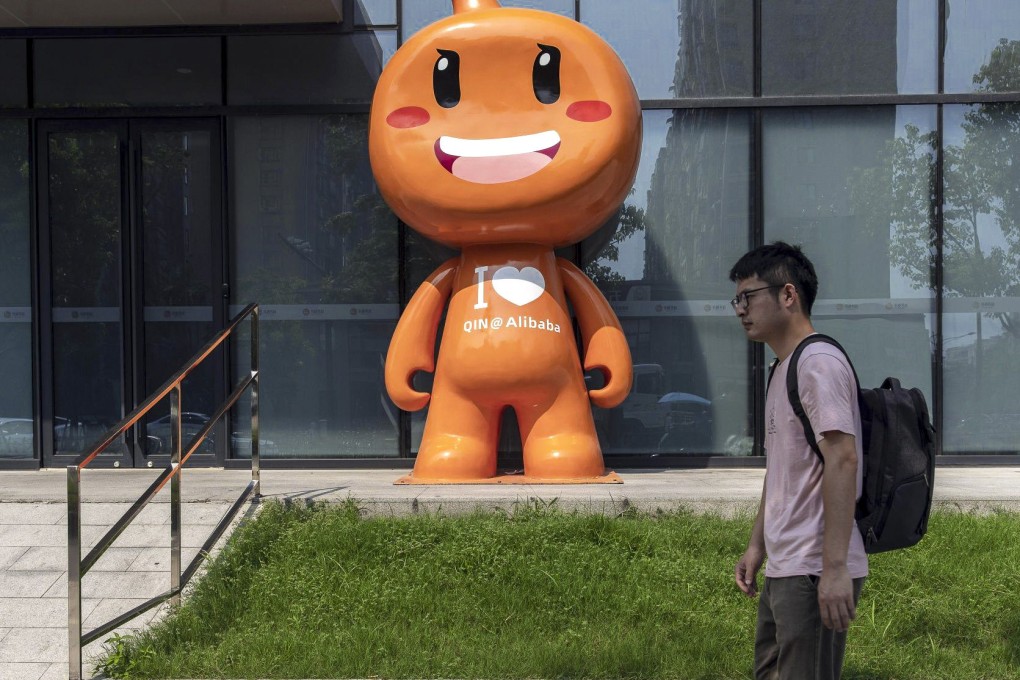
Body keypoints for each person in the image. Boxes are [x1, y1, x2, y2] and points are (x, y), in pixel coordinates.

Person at [729, 242, 867, 680]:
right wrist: (757, 546)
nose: (740, 310)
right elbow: (783, 472)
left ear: (788, 295)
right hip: (787, 565)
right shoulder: (784, 367)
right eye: (737, 299)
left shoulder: (818, 363)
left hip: (814, 566)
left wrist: (835, 569)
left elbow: (843, 459)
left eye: (747, 297)